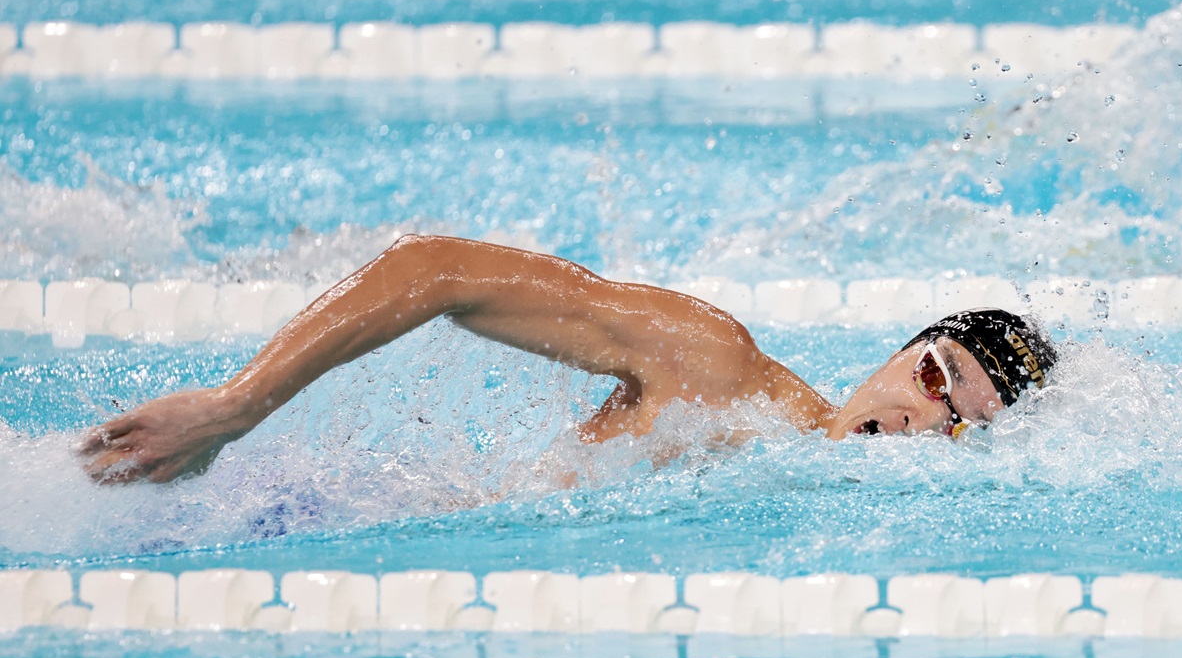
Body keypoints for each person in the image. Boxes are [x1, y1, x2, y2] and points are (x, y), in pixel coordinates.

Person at [79, 235, 1058, 484]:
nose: (925, 417)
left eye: (959, 421)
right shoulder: (713, 366)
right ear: (900, 353)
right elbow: (436, 267)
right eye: (936, 377)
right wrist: (237, 406)